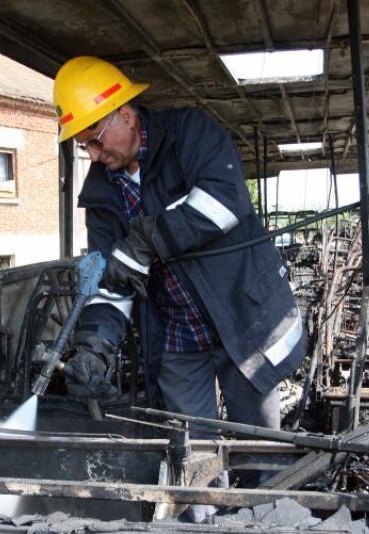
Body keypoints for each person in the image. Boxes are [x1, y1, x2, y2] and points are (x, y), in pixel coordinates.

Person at [52, 55, 305, 460]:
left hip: (240, 319)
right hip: (176, 335)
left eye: (96, 139)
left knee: (261, 446)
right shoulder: (101, 192)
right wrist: (94, 347)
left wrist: (144, 239)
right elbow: (109, 277)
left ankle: (268, 512)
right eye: (85, 146)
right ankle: (204, 520)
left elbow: (226, 202)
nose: (95, 155)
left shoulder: (189, 134)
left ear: (127, 115)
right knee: (192, 454)